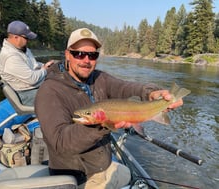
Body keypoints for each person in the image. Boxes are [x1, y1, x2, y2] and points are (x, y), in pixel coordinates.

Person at [35, 28, 184, 188]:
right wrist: (101, 124)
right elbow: (60, 142)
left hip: (103, 165)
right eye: (79, 54)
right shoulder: (49, 91)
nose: (86, 60)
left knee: (128, 175)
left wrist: (152, 93)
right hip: (79, 178)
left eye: (93, 55)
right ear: (67, 54)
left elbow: (125, 88)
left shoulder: (99, 78)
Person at [0, 20, 54, 106]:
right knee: (59, 96)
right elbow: (32, 79)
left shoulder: (23, 49)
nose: (28, 40)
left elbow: (33, 64)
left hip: (35, 86)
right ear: (16, 37)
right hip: (24, 93)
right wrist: (45, 70)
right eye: (26, 38)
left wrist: (44, 65)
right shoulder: (10, 57)